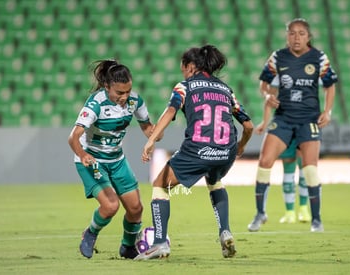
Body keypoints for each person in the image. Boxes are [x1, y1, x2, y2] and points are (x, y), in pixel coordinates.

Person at [134, 45, 254, 260]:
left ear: (190, 66)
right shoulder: (226, 89)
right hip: (226, 149)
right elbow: (249, 126)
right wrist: (241, 146)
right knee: (215, 180)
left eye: (182, 66)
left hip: (199, 148)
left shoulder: (184, 86)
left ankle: (160, 243)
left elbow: (170, 111)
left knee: (160, 185)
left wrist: (151, 140)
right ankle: (225, 231)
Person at [247, 18, 337, 233]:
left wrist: (327, 111)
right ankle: (260, 214)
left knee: (310, 169)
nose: (296, 38)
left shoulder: (318, 58)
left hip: (308, 120)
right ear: (287, 35)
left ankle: (316, 220)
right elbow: (263, 84)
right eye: (292, 33)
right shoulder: (278, 57)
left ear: (309, 37)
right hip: (283, 119)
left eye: (301, 34)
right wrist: (268, 94)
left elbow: (329, 86)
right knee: (265, 161)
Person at [68, 59, 161, 259]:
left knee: (136, 209)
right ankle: (90, 232)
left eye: (128, 91)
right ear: (107, 86)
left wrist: (156, 133)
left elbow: (148, 128)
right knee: (111, 206)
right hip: (93, 160)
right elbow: (73, 137)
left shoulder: (135, 101)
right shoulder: (96, 103)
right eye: (119, 93)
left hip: (117, 161)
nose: (124, 97)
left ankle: (127, 247)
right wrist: (83, 154)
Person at [255, 82, 311, 224]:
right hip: (285, 127)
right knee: (290, 168)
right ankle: (292, 211)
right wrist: (265, 123)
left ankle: (301, 209)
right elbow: (269, 101)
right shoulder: (282, 80)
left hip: (302, 125)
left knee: (302, 166)